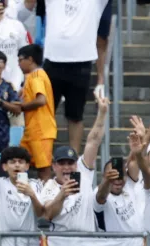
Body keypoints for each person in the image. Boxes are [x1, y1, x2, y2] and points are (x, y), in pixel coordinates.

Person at [41, 0, 109, 152]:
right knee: (45, 114)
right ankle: (43, 157)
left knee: (75, 115)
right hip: (53, 62)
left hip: (81, 64)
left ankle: (74, 159)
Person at [40, 97, 111, 232]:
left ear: (76, 164)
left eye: (70, 163)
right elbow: (47, 214)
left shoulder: (83, 173)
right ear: (54, 166)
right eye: (62, 163)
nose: (67, 167)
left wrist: (102, 113)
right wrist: (62, 194)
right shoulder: (49, 187)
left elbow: (94, 141)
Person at [17, 44, 55, 181]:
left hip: (41, 130)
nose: (18, 64)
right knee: (19, 162)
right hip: (31, 130)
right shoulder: (32, 77)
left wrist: (21, 107)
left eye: (20, 60)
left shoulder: (37, 76)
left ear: (30, 59)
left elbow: (41, 100)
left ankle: (46, 199)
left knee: (44, 170)